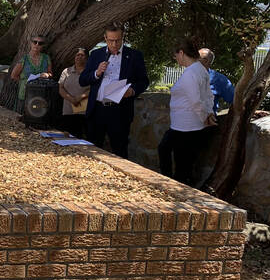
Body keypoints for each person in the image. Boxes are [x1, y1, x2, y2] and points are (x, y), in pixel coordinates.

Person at [79, 22, 149, 159]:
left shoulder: (134, 56)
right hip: (97, 110)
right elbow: (83, 80)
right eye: (111, 40)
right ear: (105, 38)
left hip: (120, 111)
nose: (114, 44)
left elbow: (144, 81)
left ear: (123, 38)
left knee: (119, 151)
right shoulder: (96, 54)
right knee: (92, 150)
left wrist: (132, 91)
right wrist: (97, 73)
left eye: (118, 40)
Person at [157, 39, 216, 185]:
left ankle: (171, 185)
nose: (176, 59)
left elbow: (196, 100)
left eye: (176, 55)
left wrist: (206, 117)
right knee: (181, 160)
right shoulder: (200, 69)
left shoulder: (191, 73)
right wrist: (208, 113)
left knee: (178, 160)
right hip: (187, 124)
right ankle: (172, 183)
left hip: (185, 126)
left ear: (182, 53)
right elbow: (208, 96)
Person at [10, 35, 53, 114]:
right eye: (35, 42)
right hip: (25, 93)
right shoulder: (24, 59)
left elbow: (50, 73)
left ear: (43, 46)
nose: (37, 45)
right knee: (22, 115)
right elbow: (13, 75)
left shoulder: (46, 58)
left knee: (37, 115)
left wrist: (47, 75)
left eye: (40, 43)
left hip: (41, 92)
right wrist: (24, 82)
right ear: (30, 43)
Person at [58, 47, 90, 139]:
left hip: (83, 111)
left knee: (80, 138)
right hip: (68, 111)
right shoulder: (66, 71)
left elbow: (93, 89)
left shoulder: (90, 73)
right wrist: (71, 99)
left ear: (87, 58)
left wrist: (80, 97)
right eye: (77, 55)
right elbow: (61, 88)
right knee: (67, 137)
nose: (79, 57)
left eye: (82, 55)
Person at [198, 48, 235, 113]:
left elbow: (234, 100)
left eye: (196, 59)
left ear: (205, 61)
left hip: (206, 120)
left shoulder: (219, 79)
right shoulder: (188, 76)